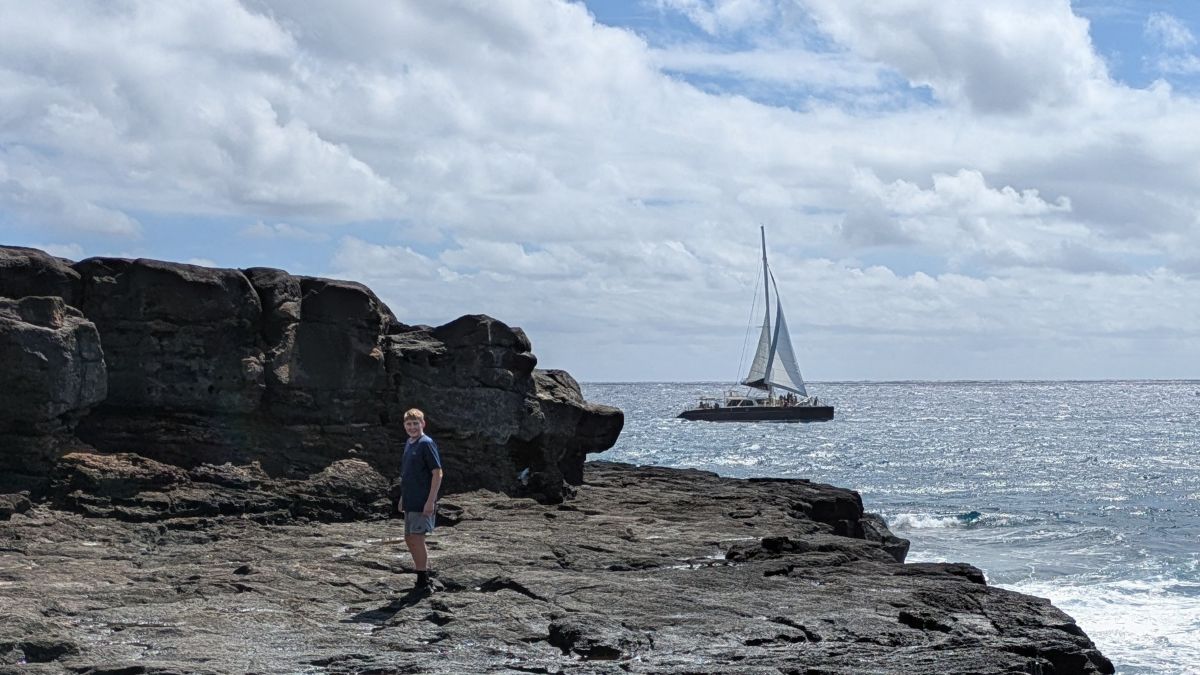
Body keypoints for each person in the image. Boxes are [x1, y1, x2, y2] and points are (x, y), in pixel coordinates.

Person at [399, 407, 443, 594]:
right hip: (410, 500)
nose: (412, 427)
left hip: (422, 500)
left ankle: (423, 581)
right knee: (410, 539)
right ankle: (421, 576)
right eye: (408, 424)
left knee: (417, 538)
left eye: (415, 423)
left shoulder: (426, 443)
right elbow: (407, 474)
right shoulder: (409, 443)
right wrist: (403, 497)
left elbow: (437, 472)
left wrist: (430, 501)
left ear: (423, 424)